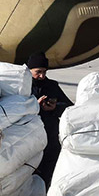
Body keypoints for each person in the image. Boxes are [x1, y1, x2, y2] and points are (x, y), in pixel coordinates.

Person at [27, 52, 72, 185]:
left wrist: (55, 107)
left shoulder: (52, 86)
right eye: (38, 72)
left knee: (49, 170)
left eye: (44, 72)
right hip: (30, 135)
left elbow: (70, 108)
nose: (42, 76)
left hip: (50, 135)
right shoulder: (22, 87)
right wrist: (36, 105)